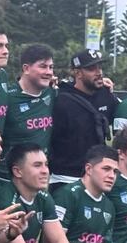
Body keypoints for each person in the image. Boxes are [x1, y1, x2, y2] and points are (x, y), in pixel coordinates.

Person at [50, 50, 118, 187]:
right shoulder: (61, 100)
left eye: (100, 67)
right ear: (78, 73)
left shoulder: (106, 95)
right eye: (92, 69)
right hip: (66, 178)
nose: (99, 72)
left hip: (97, 177)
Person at [0, 44, 56, 179]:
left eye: (51, 67)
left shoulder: (52, 93)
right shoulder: (7, 96)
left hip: (40, 176)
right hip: (9, 177)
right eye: (43, 66)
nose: (49, 72)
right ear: (26, 68)